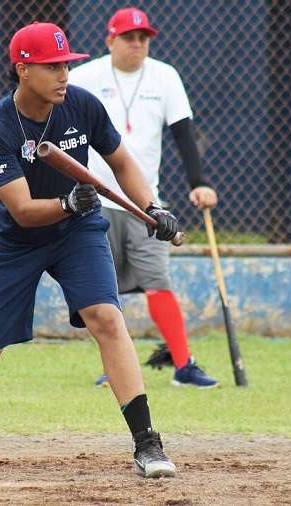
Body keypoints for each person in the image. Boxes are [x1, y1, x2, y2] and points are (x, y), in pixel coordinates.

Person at [0, 21, 181, 479]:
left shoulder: (81, 105)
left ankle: (147, 443)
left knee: (106, 318)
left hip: (77, 233)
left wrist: (152, 206)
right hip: (13, 243)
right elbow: (22, 209)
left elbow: (121, 162)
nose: (64, 74)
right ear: (23, 70)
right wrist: (65, 201)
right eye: (52, 66)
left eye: (66, 64)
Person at [69, 7, 220, 389]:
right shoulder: (85, 77)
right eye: (128, 38)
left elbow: (183, 133)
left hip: (144, 201)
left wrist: (198, 181)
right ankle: (114, 363)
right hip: (95, 201)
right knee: (103, 290)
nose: (137, 45)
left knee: (158, 280)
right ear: (110, 40)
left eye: (143, 38)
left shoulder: (165, 76)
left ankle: (183, 365)